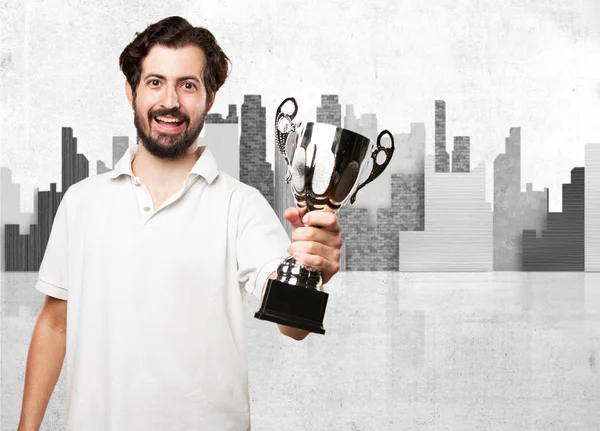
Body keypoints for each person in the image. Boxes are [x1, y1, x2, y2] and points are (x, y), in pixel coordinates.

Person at [17, 16, 342, 431]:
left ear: (210, 96)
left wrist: (311, 269)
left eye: (187, 85)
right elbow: (55, 323)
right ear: (130, 91)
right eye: (155, 82)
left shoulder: (240, 206)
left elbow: (293, 329)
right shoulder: (82, 202)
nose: (169, 101)